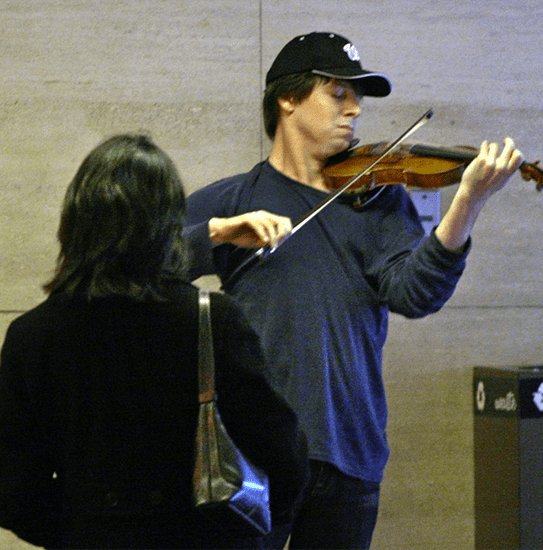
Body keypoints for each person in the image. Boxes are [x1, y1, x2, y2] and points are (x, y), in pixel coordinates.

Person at [183, 32, 524, 549]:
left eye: (357, 97)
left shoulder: (379, 200)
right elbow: (141, 264)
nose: (356, 110)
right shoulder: (234, 200)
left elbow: (415, 294)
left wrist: (468, 201)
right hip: (252, 454)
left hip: (350, 452)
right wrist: (219, 232)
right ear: (288, 98)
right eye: (338, 93)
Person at [0, 134, 309, 549]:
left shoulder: (32, 336)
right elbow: (285, 456)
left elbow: (11, 495)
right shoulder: (213, 321)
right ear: (169, 226)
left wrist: (84, 533)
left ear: (73, 222)